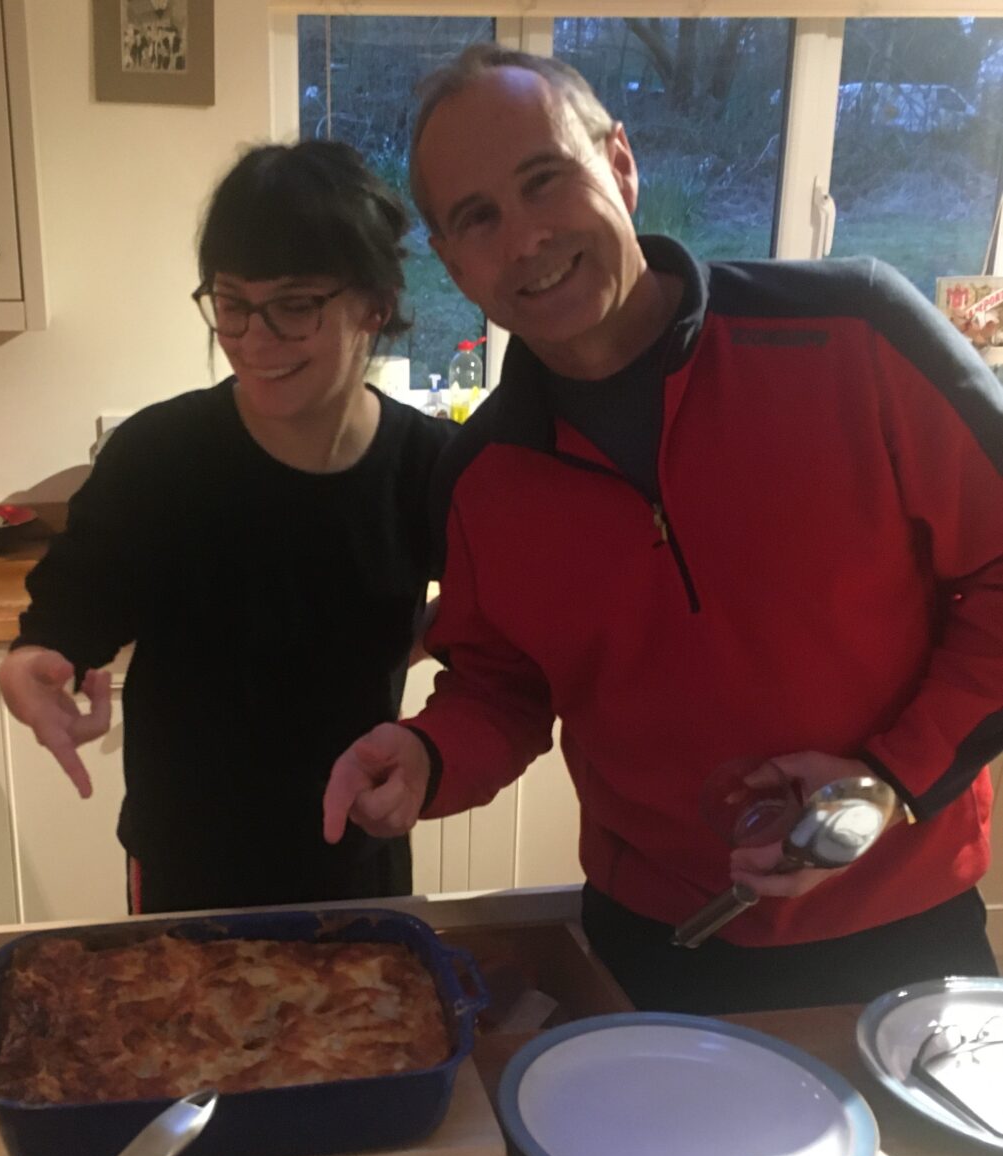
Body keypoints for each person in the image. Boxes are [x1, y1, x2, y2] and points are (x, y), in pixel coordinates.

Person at [322, 44, 1003, 1015]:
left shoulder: (853, 333)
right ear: (450, 261)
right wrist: (428, 755)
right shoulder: (481, 478)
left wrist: (890, 778)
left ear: (621, 164)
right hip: (654, 948)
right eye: (478, 218)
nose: (524, 239)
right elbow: (501, 686)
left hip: (901, 923)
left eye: (544, 180)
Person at [0, 140, 453, 914]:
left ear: (374, 303)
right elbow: (71, 613)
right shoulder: (158, 457)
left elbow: (492, 624)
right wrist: (30, 669)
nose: (252, 337)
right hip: (187, 861)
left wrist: (416, 648)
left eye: (294, 305)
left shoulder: (428, 466)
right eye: (232, 302)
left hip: (357, 851)